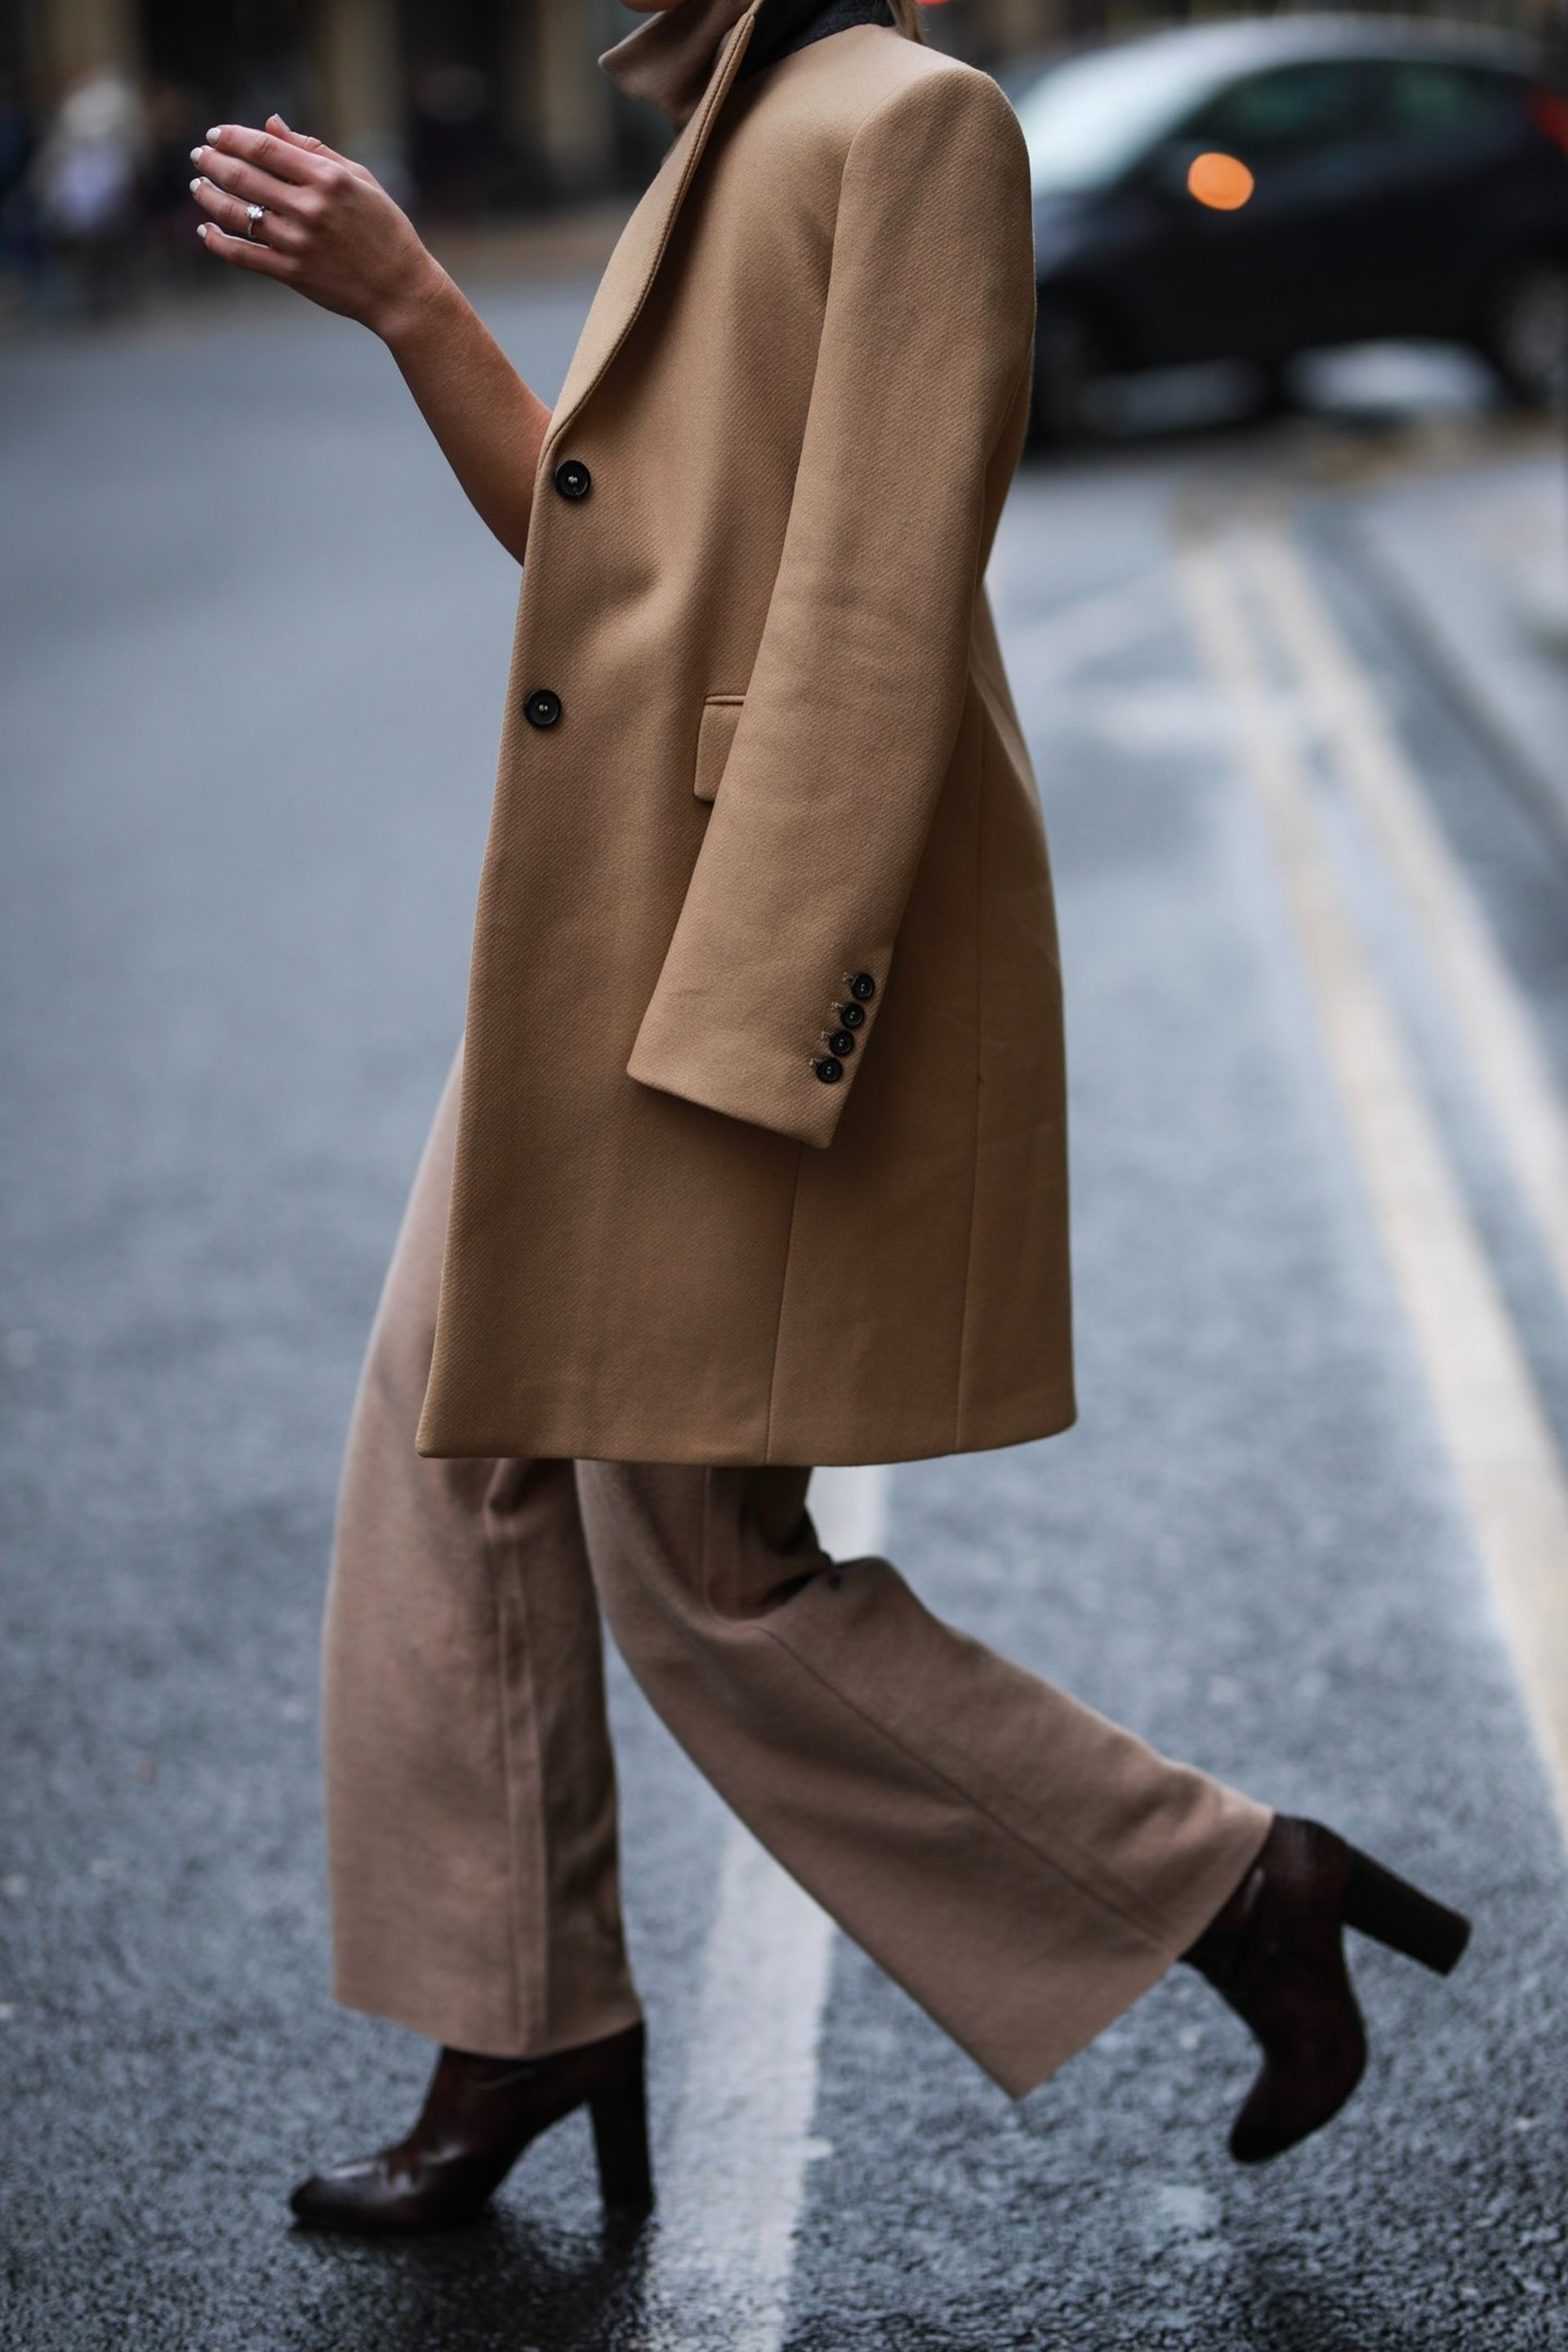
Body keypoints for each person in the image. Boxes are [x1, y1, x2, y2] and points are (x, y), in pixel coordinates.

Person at [189, 0, 1471, 2239]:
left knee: (706, 1574)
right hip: (598, 940)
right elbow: (610, 561)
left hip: (720, 949)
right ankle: (522, 2012)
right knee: (448, 1431)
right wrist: (404, 304)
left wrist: (765, 1025)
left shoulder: (916, 123)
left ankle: (1235, 1883)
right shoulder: (732, 125)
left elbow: (877, 611)